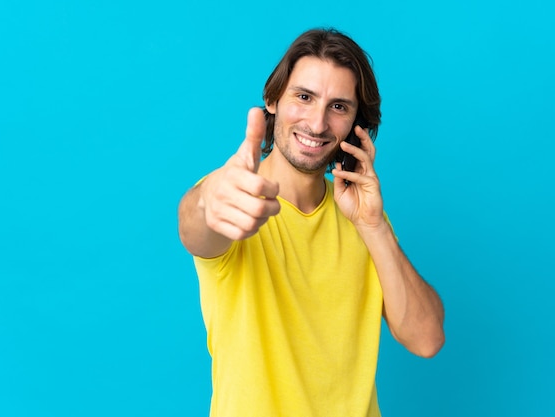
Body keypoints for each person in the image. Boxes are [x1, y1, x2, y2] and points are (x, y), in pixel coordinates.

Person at [178, 28, 445, 417]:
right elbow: (197, 227)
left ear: (356, 124)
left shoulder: (362, 217)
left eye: (338, 107)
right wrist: (207, 200)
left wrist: (374, 226)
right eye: (304, 97)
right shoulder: (235, 199)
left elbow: (427, 339)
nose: (317, 124)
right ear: (273, 100)